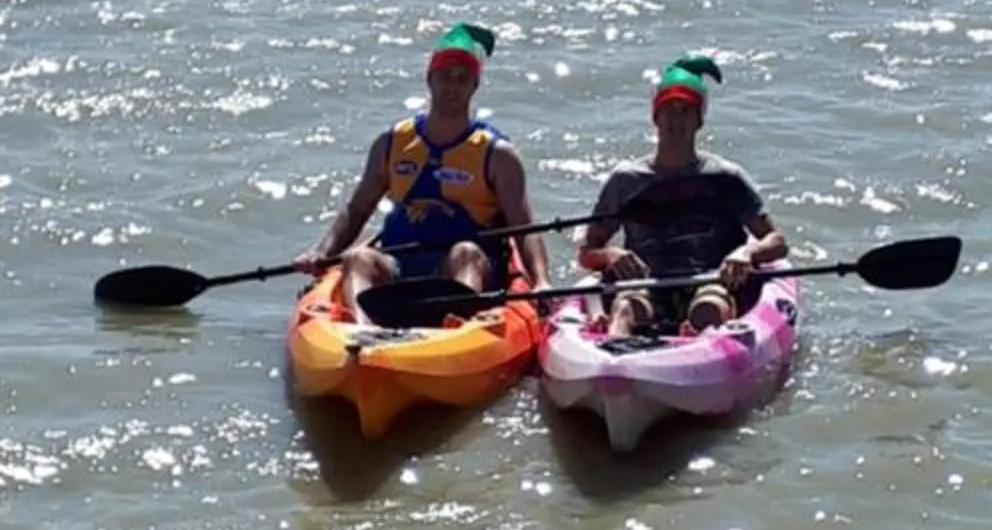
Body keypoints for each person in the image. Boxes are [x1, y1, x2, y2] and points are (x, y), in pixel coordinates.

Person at [295, 24, 549, 310]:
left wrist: (540, 281)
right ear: (430, 80)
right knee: (357, 258)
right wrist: (322, 252)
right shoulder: (392, 143)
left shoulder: (498, 154)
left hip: (467, 266)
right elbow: (357, 210)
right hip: (399, 262)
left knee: (464, 253)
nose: (452, 86)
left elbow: (525, 228)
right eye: (445, 77)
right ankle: (361, 330)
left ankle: (456, 321)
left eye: (462, 78)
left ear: (474, 86)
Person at [577, 56, 788, 340]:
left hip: (711, 282)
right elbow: (587, 253)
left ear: (699, 120)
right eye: (669, 109)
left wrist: (746, 252)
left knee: (707, 309)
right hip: (647, 284)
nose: (676, 119)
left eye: (686, 110)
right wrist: (611, 255)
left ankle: (702, 356)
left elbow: (777, 241)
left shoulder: (726, 178)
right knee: (626, 308)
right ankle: (615, 363)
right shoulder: (625, 181)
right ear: (656, 117)